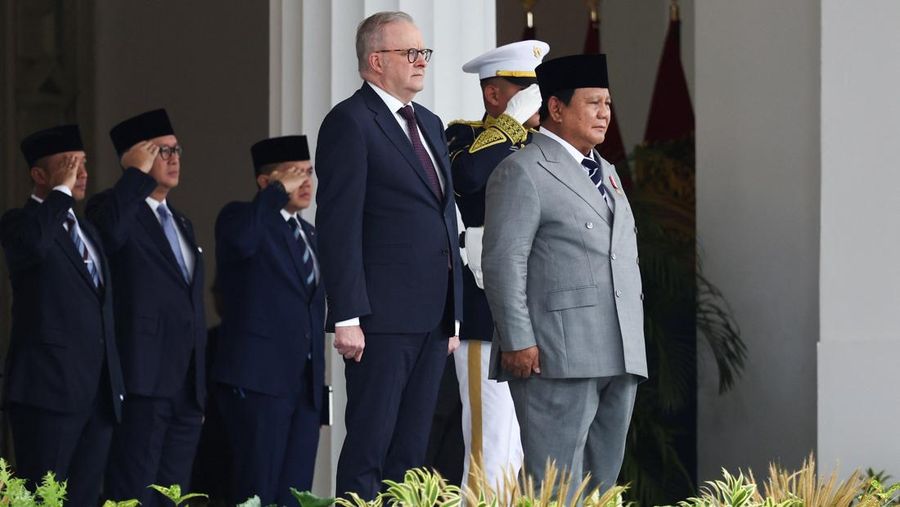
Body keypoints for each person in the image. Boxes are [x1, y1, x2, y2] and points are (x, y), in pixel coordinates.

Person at [481, 54, 647, 494]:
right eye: (593, 103)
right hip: (556, 353)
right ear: (556, 108)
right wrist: (517, 339)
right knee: (552, 486)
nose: (604, 114)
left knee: (600, 484)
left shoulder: (606, 172)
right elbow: (502, 261)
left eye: (608, 104)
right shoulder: (522, 170)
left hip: (619, 349)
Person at [315, 10, 463, 499]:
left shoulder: (430, 123)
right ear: (375, 61)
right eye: (410, 52)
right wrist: (347, 315)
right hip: (379, 318)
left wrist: (454, 314)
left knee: (411, 455)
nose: (422, 61)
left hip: (431, 318)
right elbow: (339, 226)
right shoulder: (350, 122)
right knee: (369, 449)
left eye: (424, 52)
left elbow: (444, 218)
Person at [86, 109, 206, 506]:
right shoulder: (113, 208)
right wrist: (133, 177)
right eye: (161, 151)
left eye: (177, 150)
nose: (173, 159)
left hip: (186, 384)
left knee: (172, 494)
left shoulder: (183, 222)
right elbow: (107, 236)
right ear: (135, 159)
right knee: (133, 488)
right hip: (143, 379)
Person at [0, 125, 126, 506]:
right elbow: (35, 246)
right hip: (47, 393)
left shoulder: (86, 229)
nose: (80, 173)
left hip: (96, 394)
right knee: (44, 498)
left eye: (83, 164)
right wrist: (59, 193)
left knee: (85, 497)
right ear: (40, 175)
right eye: (69, 165)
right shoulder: (19, 223)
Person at [446, 39, 549, 490]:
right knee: (489, 449)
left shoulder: (547, 146)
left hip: (540, 313)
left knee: (529, 457)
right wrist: (508, 124)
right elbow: (466, 179)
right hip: (485, 315)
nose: (538, 101)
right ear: (494, 95)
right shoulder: (463, 135)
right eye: (524, 90)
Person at [211, 135, 325, 505]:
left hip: (304, 385)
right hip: (259, 382)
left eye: (308, 173)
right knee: (256, 487)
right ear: (266, 182)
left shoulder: (309, 234)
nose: (305, 182)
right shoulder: (241, 218)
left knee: (294, 492)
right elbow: (242, 242)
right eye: (294, 174)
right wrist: (274, 195)